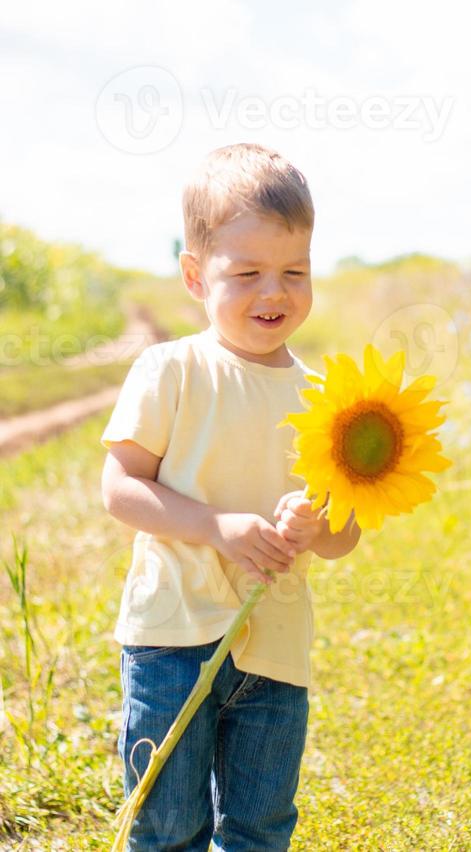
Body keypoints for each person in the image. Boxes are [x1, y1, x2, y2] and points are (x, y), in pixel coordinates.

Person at [100, 142, 361, 851]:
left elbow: (345, 536)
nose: (273, 293)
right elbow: (121, 489)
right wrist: (215, 525)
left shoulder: (319, 396)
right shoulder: (172, 370)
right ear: (195, 276)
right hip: (172, 636)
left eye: (294, 272)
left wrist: (320, 525)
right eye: (246, 273)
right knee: (165, 822)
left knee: (260, 826)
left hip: (275, 647)